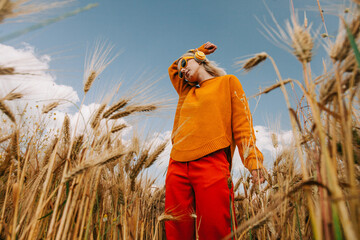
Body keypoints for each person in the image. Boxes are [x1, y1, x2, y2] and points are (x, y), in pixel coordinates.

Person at [165, 42, 265, 240]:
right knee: (177, 231)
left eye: (185, 63)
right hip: (177, 164)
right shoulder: (186, 91)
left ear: (200, 60)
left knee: (216, 229)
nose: (182, 70)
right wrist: (194, 53)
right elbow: (172, 69)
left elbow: (243, 125)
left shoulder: (228, 82)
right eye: (181, 69)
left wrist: (253, 161)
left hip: (212, 162)